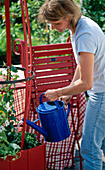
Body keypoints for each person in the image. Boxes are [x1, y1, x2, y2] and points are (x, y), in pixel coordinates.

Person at [38, 0, 105, 169]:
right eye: (51, 24)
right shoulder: (81, 27)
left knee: (89, 149)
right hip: (101, 89)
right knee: (102, 143)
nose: (53, 28)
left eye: (57, 23)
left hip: (102, 92)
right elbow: (83, 66)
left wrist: (58, 92)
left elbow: (87, 83)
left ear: (68, 16)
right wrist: (69, 91)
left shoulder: (85, 34)